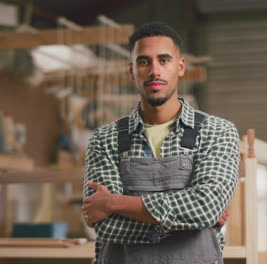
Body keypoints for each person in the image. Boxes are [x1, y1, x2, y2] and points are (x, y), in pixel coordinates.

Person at [81, 22, 240, 264]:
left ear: (180, 67)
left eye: (164, 60)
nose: (154, 71)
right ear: (132, 70)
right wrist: (193, 224)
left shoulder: (217, 131)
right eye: (144, 61)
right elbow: (106, 226)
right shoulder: (105, 139)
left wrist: (114, 202)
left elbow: (206, 206)